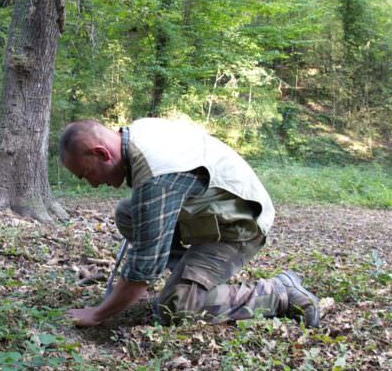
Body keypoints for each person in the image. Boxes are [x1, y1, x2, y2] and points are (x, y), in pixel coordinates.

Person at [58, 117, 320, 328]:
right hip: (211, 213)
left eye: (88, 173)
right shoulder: (137, 133)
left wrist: (99, 314)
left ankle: (278, 292)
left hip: (239, 226)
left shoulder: (157, 174)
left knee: (175, 309)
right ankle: (190, 279)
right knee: (129, 213)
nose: (92, 183)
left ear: (103, 153)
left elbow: (144, 265)